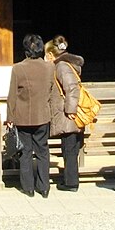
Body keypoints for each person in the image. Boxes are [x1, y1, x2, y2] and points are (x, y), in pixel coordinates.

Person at [6, 33, 55, 197]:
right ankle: (44, 186)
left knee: (25, 152)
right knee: (43, 151)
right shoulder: (49, 67)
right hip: (43, 114)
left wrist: (9, 117)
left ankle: (28, 187)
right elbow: (51, 91)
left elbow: (12, 95)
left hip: (23, 116)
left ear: (26, 50)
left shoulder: (18, 68)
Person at [46, 34, 86, 192]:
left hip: (68, 113)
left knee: (69, 148)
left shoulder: (61, 66)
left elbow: (72, 88)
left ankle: (71, 182)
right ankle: (71, 179)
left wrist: (70, 109)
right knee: (71, 147)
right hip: (69, 112)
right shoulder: (65, 64)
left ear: (50, 54)